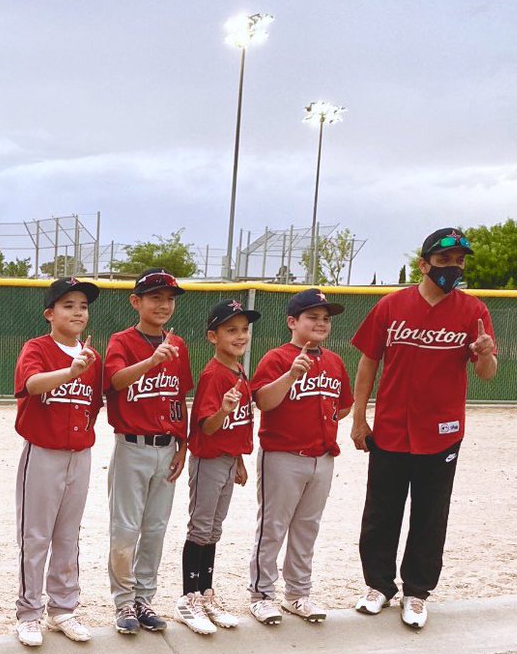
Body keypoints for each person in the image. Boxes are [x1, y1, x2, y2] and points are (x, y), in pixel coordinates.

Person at [350, 227, 497, 629]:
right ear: (424, 264)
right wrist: (359, 416)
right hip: (393, 428)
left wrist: (485, 355)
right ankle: (379, 586)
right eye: (445, 260)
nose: (454, 267)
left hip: (443, 432)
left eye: (460, 261)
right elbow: (368, 362)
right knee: (381, 511)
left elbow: (486, 373)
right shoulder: (391, 306)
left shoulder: (474, 311)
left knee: (431, 515)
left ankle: (416, 592)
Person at [248, 288, 353, 625]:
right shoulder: (277, 358)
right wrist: (291, 375)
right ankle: (263, 595)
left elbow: (346, 404)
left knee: (307, 528)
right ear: (292, 321)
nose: (321, 323)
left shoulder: (335, 361)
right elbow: (263, 401)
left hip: (322, 457)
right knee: (273, 526)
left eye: (326, 318)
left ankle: (298, 594)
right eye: (312, 317)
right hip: (282, 455)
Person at [13, 277, 103, 647]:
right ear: (50, 313)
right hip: (43, 452)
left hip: (79, 454)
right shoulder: (37, 347)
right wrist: (70, 372)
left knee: (68, 535)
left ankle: (64, 608)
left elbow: (95, 404)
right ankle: (29, 612)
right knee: (35, 536)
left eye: (82, 305)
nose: (78, 311)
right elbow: (32, 384)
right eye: (68, 305)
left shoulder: (91, 356)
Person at [103, 268, 193, 635]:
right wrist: (152, 360)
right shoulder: (121, 341)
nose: (164, 304)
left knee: (155, 529)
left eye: (169, 298)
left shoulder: (179, 344)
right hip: (132, 447)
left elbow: (179, 398)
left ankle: (143, 599)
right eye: (155, 297)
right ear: (136, 301)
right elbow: (115, 381)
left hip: (166, 447)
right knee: (125, 529)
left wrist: (183, 444)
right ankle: (123, 602)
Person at [176, 299, 260, 635]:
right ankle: (189, 597)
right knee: (200, 527)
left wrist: (238, 458)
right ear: (213, 336)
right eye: (231, 330)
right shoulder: (213, 374)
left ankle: (206, 593)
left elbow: (238, 425)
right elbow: (207, 427)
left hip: (227, 459)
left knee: (214, 530)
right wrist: (224, 410)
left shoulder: (239, 369)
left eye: (243, 330)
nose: (240, 336)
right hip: (208, 460)